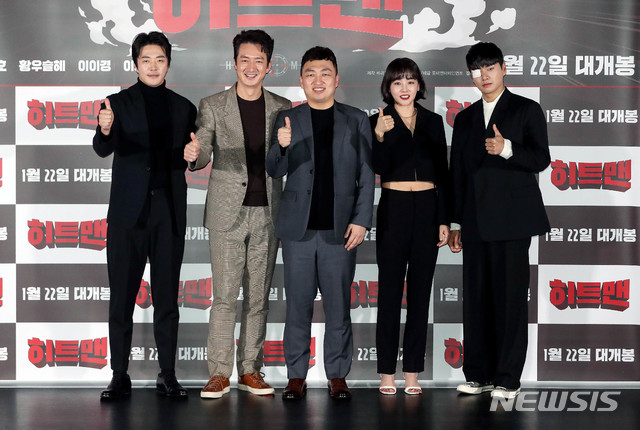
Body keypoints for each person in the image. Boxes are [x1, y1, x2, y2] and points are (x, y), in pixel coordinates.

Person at [184, 30, 291, 399]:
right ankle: (219, 373)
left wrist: (287, 148)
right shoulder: (213, 105)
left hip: (268, 214)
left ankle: (250, 370)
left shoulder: (283, 107)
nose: (251, 66)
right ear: (234, 63)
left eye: (258, 60)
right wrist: (194, 155)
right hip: (227, 214)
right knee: (225, 297)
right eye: (244, 59)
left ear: (269, 66)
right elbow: (203, 148)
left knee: (258, 298)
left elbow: (287, 159)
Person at [266, 46, 374, 400]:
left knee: (338, 308)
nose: (318, 80)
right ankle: (295, 376)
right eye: (310, 73)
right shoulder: (287, 118)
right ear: (301, 80)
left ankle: (337, 375)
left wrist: (361, 220)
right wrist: (281, 147)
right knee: (297, 307)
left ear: (336, 79)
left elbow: (366, 174)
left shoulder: (356, 119)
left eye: (325, 73)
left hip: (340, 232)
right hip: (298, 232)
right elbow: (274, 169)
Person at [93, 31, 196, 400]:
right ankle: (119, 375)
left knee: (167, 299)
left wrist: (195, 158)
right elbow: (102, 147)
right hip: (128, 216)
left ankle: (167, 374)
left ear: (169, 63)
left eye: (160, 59)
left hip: (168, 213)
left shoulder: (184, 108)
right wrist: (105, 129)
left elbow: (193, 155)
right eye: (146, 60)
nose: (153, 66)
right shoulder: (117, 103)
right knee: (121, 297)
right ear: (135, 64)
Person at [448, 42, 550, 399]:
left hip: (512, 222)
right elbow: (457, 173)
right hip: (475, 222)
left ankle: (507, 378)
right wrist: (455, 222)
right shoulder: (464, 119)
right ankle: (478, 375)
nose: (484, 76)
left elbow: (541, 159)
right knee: (476, 301)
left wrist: (507, 149)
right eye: (477, 70)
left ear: (503, 68)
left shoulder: (526, 109)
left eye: (490, 67)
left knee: (509, 302)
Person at [371, 58, 449, 396]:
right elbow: (376, 167)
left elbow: (443, 173)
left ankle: (412, 372)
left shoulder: (433, 121)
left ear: (419, 86)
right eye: (397, 82)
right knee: (389, 293)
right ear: (388, 87)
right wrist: (379, 134)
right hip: (394, 207)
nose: (404, 88)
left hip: (428, 209)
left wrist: (445, 218)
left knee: (420, 294)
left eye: (410, 81)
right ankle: (387, 373)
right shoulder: (378, 120)